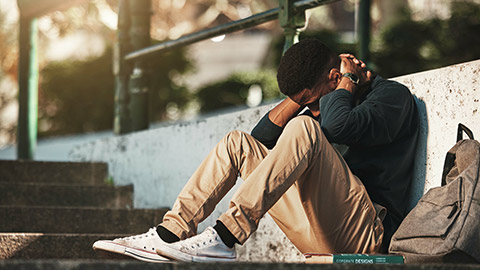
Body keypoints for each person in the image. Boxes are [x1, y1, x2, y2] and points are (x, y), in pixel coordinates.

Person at [93, 39, 419, 263]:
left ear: (336, 78)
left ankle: (225, 237)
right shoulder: (326, 105)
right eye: (307, 104)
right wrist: (300, 96)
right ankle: (168, 234)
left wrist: (345, 81)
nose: (312, 109)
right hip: (318, 229)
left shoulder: (391, 98)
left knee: (303, 128)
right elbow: (260, 140)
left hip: (368, 236)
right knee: (238, 143)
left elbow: (338, 126)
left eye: (313, 100)